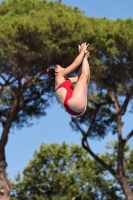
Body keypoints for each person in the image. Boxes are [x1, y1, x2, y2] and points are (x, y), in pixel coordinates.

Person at [47, 42, 90, 116]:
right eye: (60, 67)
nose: (63, 68)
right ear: (56, 71)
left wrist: (83, 58)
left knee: (84, 79)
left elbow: (77, 78)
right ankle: (85, 58)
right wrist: (83, 51)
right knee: (83, 78)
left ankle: (85, 58)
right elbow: (76, 63)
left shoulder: (63, 81)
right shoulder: (59, 75)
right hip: (74, 104)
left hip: (74, 110)